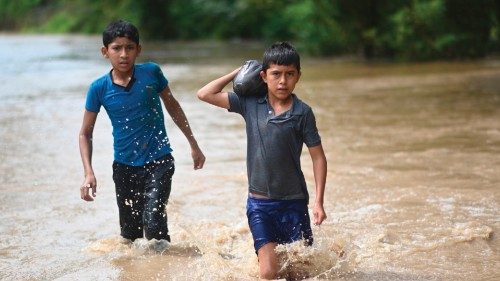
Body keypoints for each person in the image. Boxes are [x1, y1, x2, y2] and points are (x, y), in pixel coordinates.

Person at [197, 42, 327, 279]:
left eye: (290, 74)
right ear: (263, 76)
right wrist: (239, 71)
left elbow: (318, 157)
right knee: (268, 273)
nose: (282, 81)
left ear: (298, 76)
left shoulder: (302, 112)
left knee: (300, 273)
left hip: (294, 202)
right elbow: (205, 94)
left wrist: (318, 202)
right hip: (260, 205)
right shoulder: (249, 104)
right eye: (276, 74)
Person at [78, 20, 205, 242]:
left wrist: (193, 145)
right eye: (117, 48)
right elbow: (85, 134)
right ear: (105, 52)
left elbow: (173, 106)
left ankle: (163, 270)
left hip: (159, 161)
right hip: (124, 167)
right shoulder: (99, 88)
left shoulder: (151, 73)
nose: (124, 54)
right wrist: (88, 172)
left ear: (139, 49)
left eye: (129, 47)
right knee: (130, 236)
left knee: (154, 223)